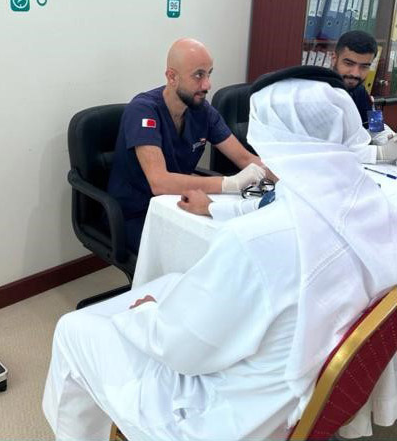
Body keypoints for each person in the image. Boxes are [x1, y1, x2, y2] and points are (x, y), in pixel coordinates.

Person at [43, 74, 397, 441]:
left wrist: (146, 315)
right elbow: (282, 203)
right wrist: (218, 203)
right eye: (199, 74)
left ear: (270, 138)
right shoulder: (373, 205)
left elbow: (181, 350)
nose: (207, 83)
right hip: (297, 391)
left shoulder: (252, 242)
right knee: (172, 281)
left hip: (227, 418)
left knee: (73, 329)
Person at [107, 38, 266, 252]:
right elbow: (159, 182)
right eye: (198, 75)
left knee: (235, 240)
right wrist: (230, 183)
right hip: (137, 213)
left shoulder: (202, 111)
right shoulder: (143, 110)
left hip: (178, 202)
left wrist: (289, 180)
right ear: (172, 77)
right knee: (206, 250)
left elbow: (245, 159)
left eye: (209, 73)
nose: (207, 85)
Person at [331, 31, 397, 164]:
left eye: (364, 66)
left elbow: (376, 127)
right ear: (334, 58)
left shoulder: (359, 90)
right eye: (349, 63)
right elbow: (325, 150)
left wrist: (392, 140)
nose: (355, 73)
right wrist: (379, 153)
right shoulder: (316, 93)